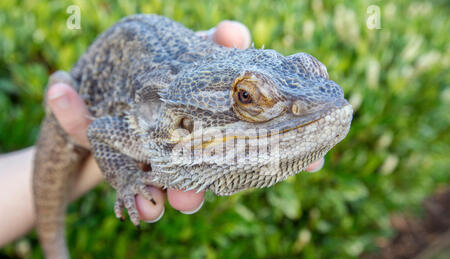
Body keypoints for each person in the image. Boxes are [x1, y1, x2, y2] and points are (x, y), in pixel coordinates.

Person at [0, 21, 324, 247]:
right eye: (247, 98)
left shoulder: (186, 105)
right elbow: (99, 131)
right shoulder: (161, 123)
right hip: (89, 93)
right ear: (184, 123)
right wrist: (126, 178)